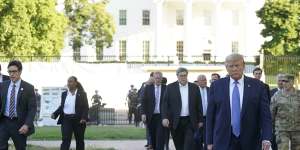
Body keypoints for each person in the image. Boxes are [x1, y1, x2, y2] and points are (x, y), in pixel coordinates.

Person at [206, 54, 272, 150]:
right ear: (226, 67)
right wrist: (209, 141)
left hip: (251, 140)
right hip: (222, 140)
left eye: (237, 65)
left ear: (243, 66)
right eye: (231, 66)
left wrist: (266, 138)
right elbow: (210, 115)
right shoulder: (216, 86)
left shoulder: (258, 86)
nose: (234, 69)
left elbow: (265, 115)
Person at [162, 67, 203, 150]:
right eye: (181, 76)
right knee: (179, 146)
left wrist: (200, 120)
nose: (183, 77)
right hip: (175, 122)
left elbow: (199, 105)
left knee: (188, 145)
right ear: (177, 76)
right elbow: (165, 104)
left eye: (185, 75)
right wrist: (164, 117)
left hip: (190, 121)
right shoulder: (170, 87)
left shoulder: (194, 87)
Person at [0, 60, 37, 150]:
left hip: (19, 124)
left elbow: (32, 108)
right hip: (4, 122)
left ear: (20, 71)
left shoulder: (28, 88)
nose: (11, 74)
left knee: (20, 147)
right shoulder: (3, 85)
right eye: (10, 72)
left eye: (14, 71)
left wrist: (27, 124)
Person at [51, 76, 89, 150]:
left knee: (79, 140)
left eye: (70, 81)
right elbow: (62, 106)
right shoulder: (64, 94)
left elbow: (85, 107)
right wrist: (55, 114)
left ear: (75, 83)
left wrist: (84, 118)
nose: (68, 83)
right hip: (66, 120)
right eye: (68, 81)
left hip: (79, 120)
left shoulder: (82, 94)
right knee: (65, 140)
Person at [271, 74, 300, 150]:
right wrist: (271, 126)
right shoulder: (277, 95)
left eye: (286, 81)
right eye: (282, 81)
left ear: (292, 82)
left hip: (297, 129)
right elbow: (272, 112)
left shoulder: (298, 95)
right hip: (282, 129)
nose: (284, 83)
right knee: (283, 147)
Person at [141, 71, 166, 150]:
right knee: (153, 137)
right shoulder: (148, 88)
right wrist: (143, 113)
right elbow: (143, 101)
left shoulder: (166, 88)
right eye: (156, 78)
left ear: (161, 79)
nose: (158, 80)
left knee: (160, 137)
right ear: (153, 79)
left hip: (162, 117)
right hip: (151, 117)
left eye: (159, 78)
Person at [194, 74, 209, 150]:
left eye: (205, 80)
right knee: (197, 138)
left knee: (208, 138)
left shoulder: (210, 90)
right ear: (198, 81)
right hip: (198, 119)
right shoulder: (194, 91)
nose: (204, 81)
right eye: (202, 80)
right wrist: (198, 120)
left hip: (208, 118)